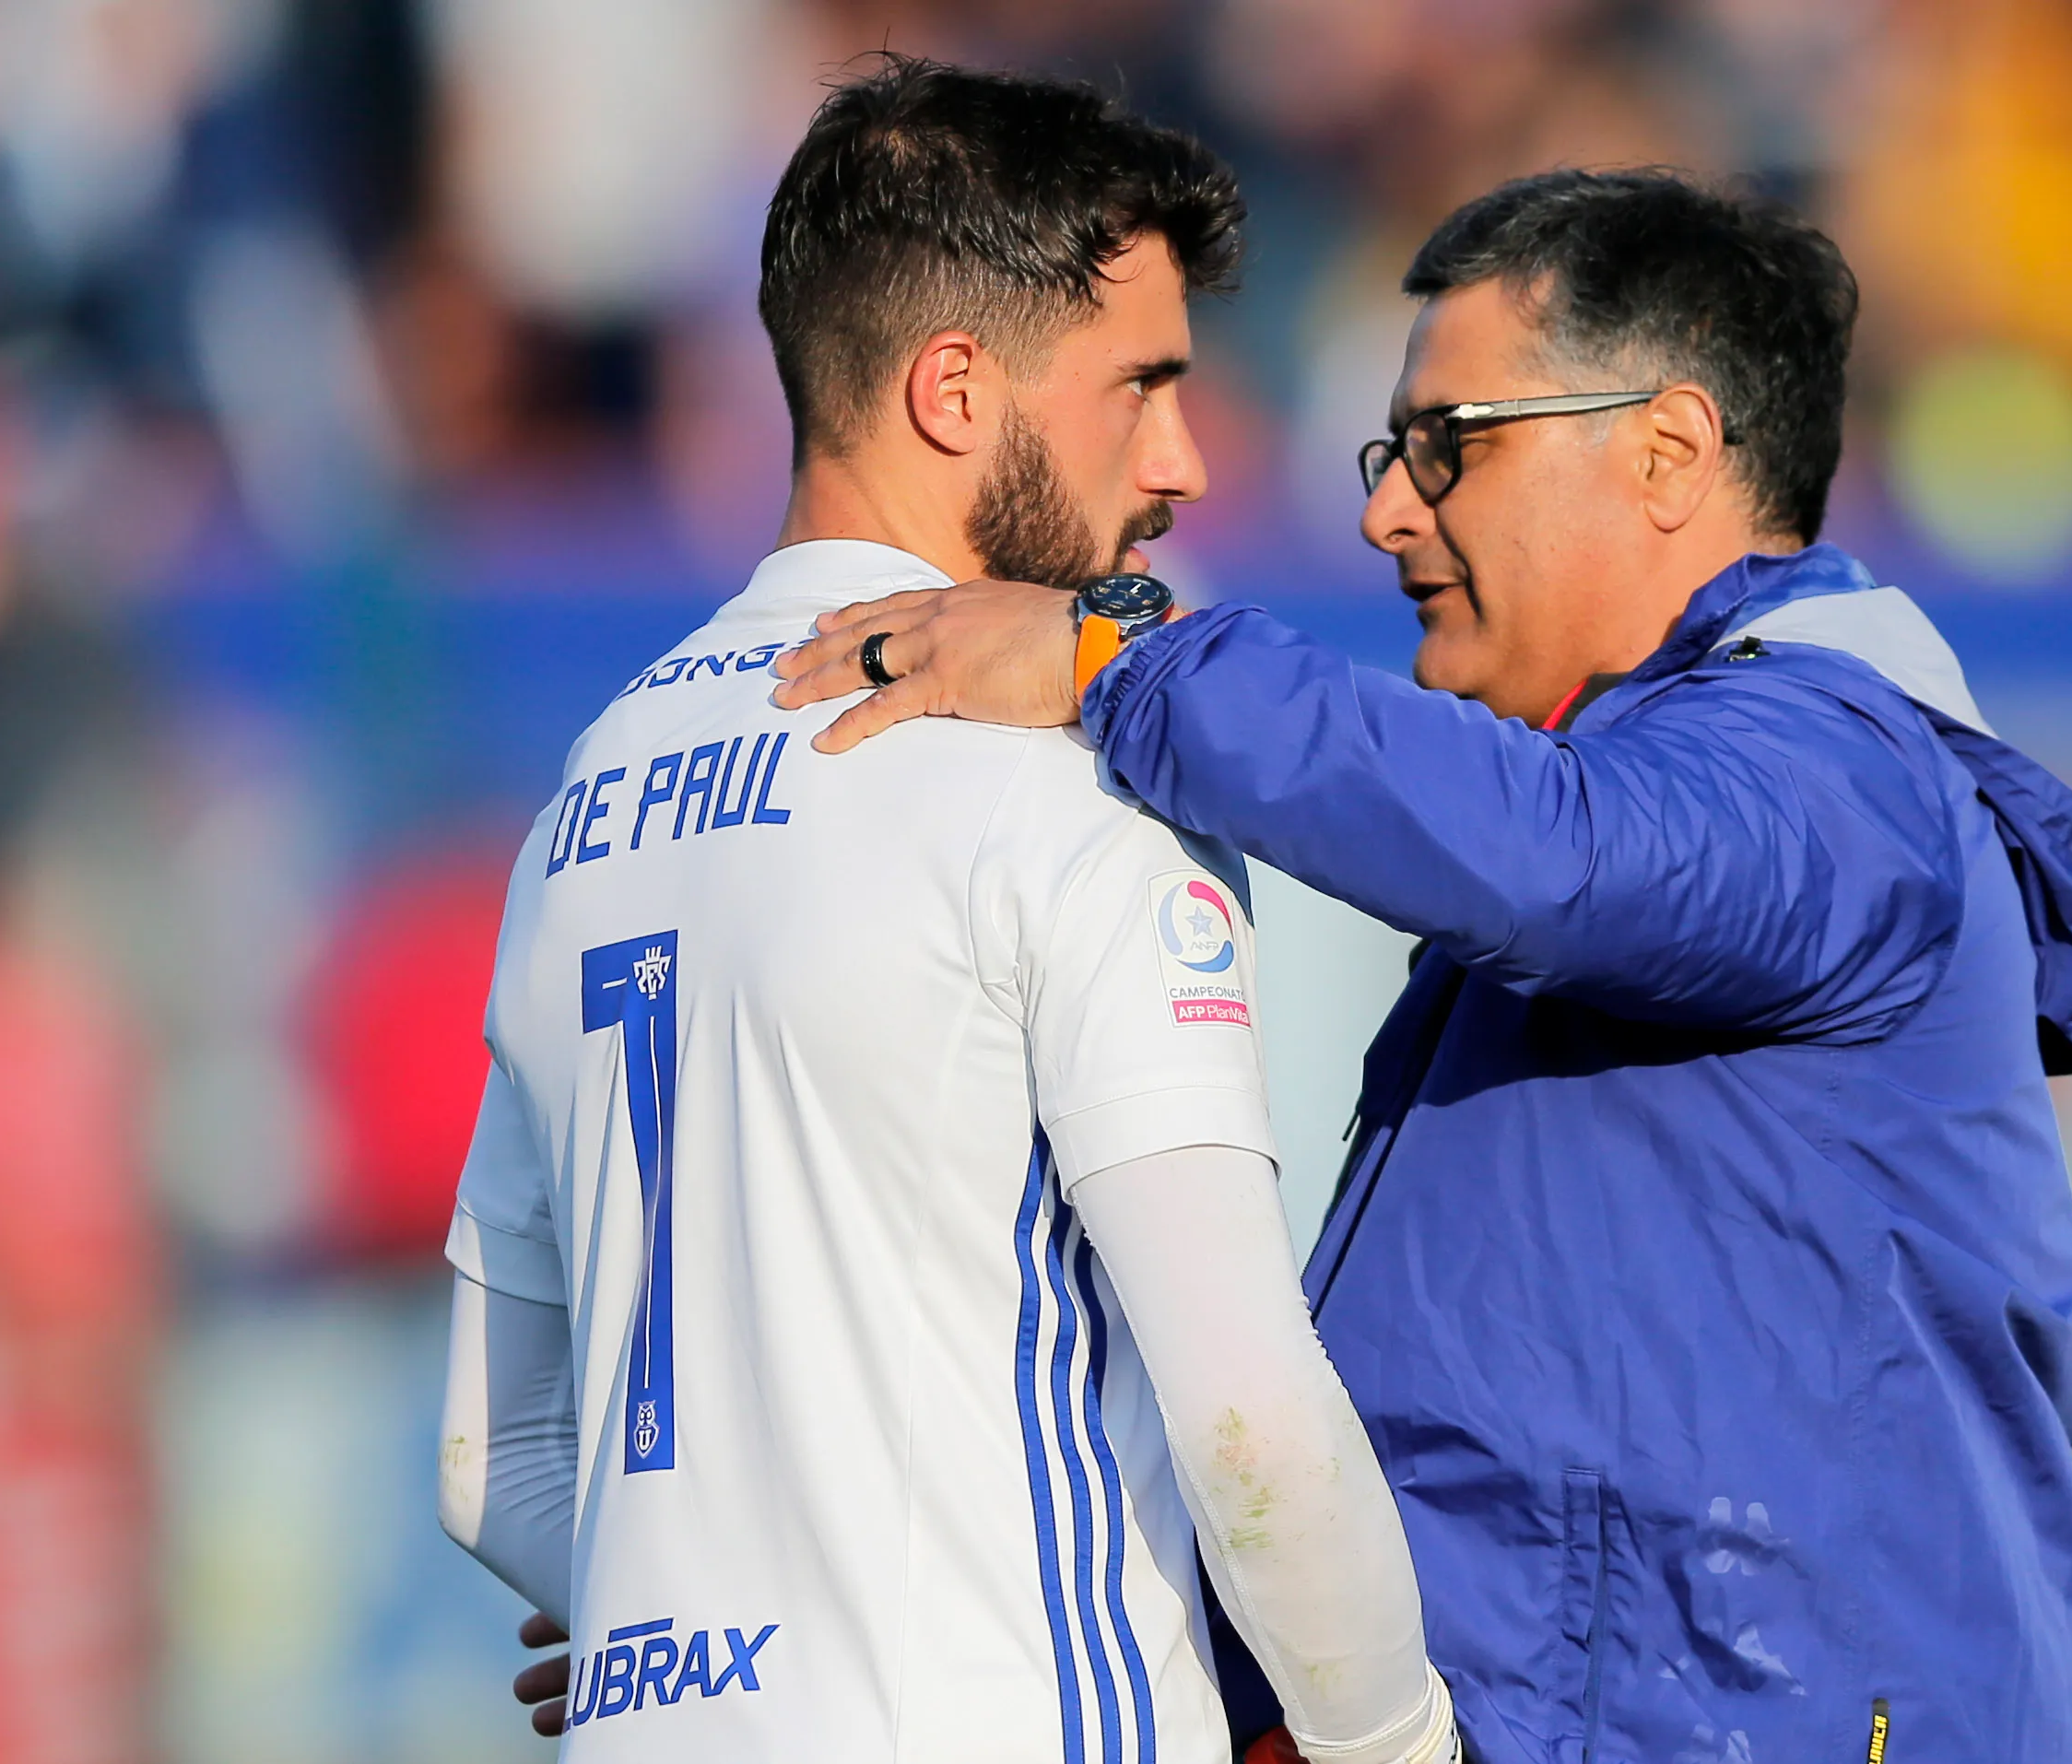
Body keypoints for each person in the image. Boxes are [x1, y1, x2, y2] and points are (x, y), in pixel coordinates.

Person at [774, 170, 2072, 1764]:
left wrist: (1120, 658)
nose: (1387, 512)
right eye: (1391, 454)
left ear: (1668, 451)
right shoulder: (1657, 782)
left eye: (1450, 443)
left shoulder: (1840, 762)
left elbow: (1569, 859)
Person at [438, 59, 1457, 1764]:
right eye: (1140, 387)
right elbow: (1249, 1420)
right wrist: (1395, 1740)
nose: (1185, 461)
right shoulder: (1072, 765)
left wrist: (691, 1632)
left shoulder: (586, 797)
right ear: (954, 389)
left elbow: (494, 1458)